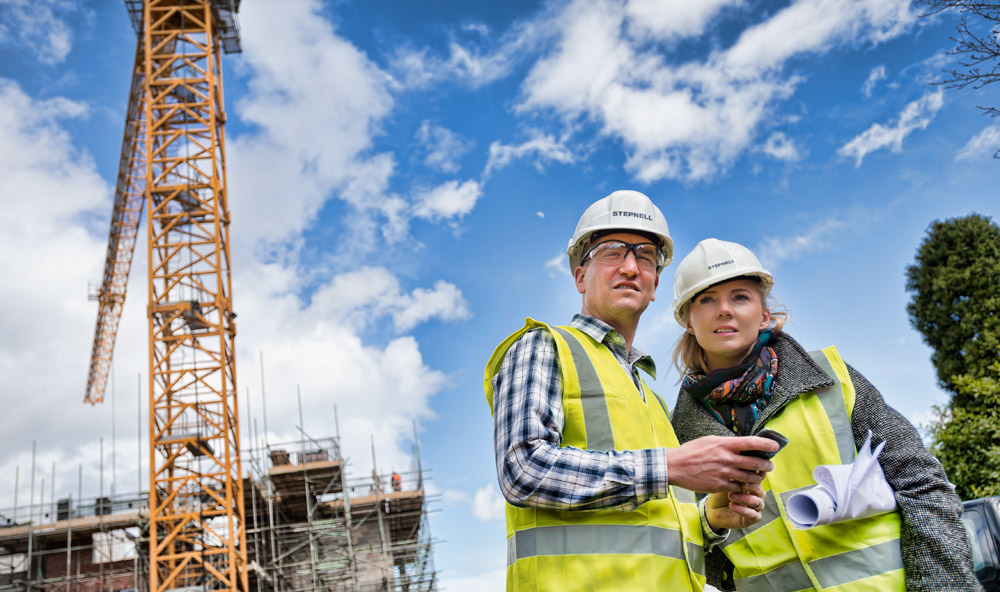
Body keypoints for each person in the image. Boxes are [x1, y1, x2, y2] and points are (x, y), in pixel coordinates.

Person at [484, 191, 781, 592]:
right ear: (580, 276)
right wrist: (669, 468)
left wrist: (710, 520)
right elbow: (522, 470)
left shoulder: (653, 400)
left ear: (655, 283)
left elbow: (653, 527)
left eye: (644, 255)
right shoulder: (544, 346)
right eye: (612, 251)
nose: (630, 266)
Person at [668, 238, 982, 592]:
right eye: (707, 299)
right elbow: (693, 550)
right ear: (688, 322)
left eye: (740, 296)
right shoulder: (676, 432)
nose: (724, 310)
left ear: (764, 314)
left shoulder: (831, 377)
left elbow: (922, 485)